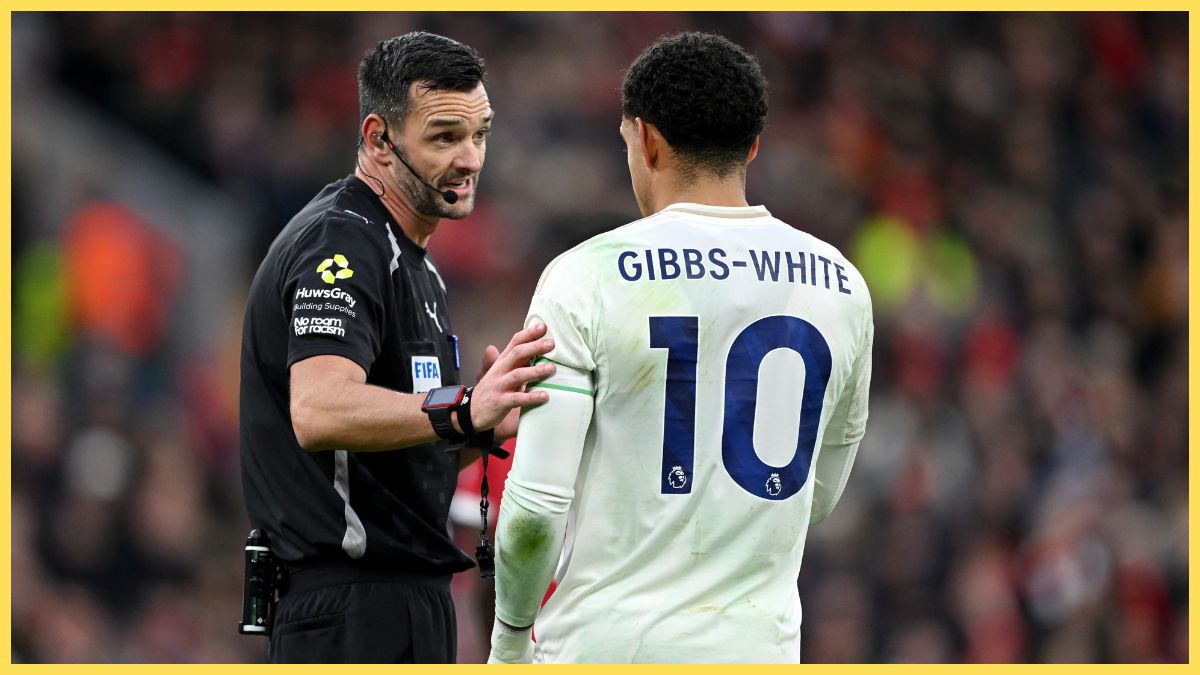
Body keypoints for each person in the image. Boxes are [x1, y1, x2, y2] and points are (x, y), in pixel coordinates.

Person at [487, 32, 874, 664]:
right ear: (752, 145)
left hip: (605, 647)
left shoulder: (586, 276)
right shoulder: (842, 286)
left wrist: (507, 642)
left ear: (646, 139)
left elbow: (534, 512)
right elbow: (819, 496)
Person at [239, 31, 556, 664]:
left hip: (405, 602)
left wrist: (485, 425)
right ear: (380, 138)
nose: (470, 159)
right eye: (444, 137)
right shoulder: (342, 241)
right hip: (349, 610)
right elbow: (320, 409)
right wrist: (463, 408)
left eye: (480, 135)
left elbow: (393, 452)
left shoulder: (417, 264)